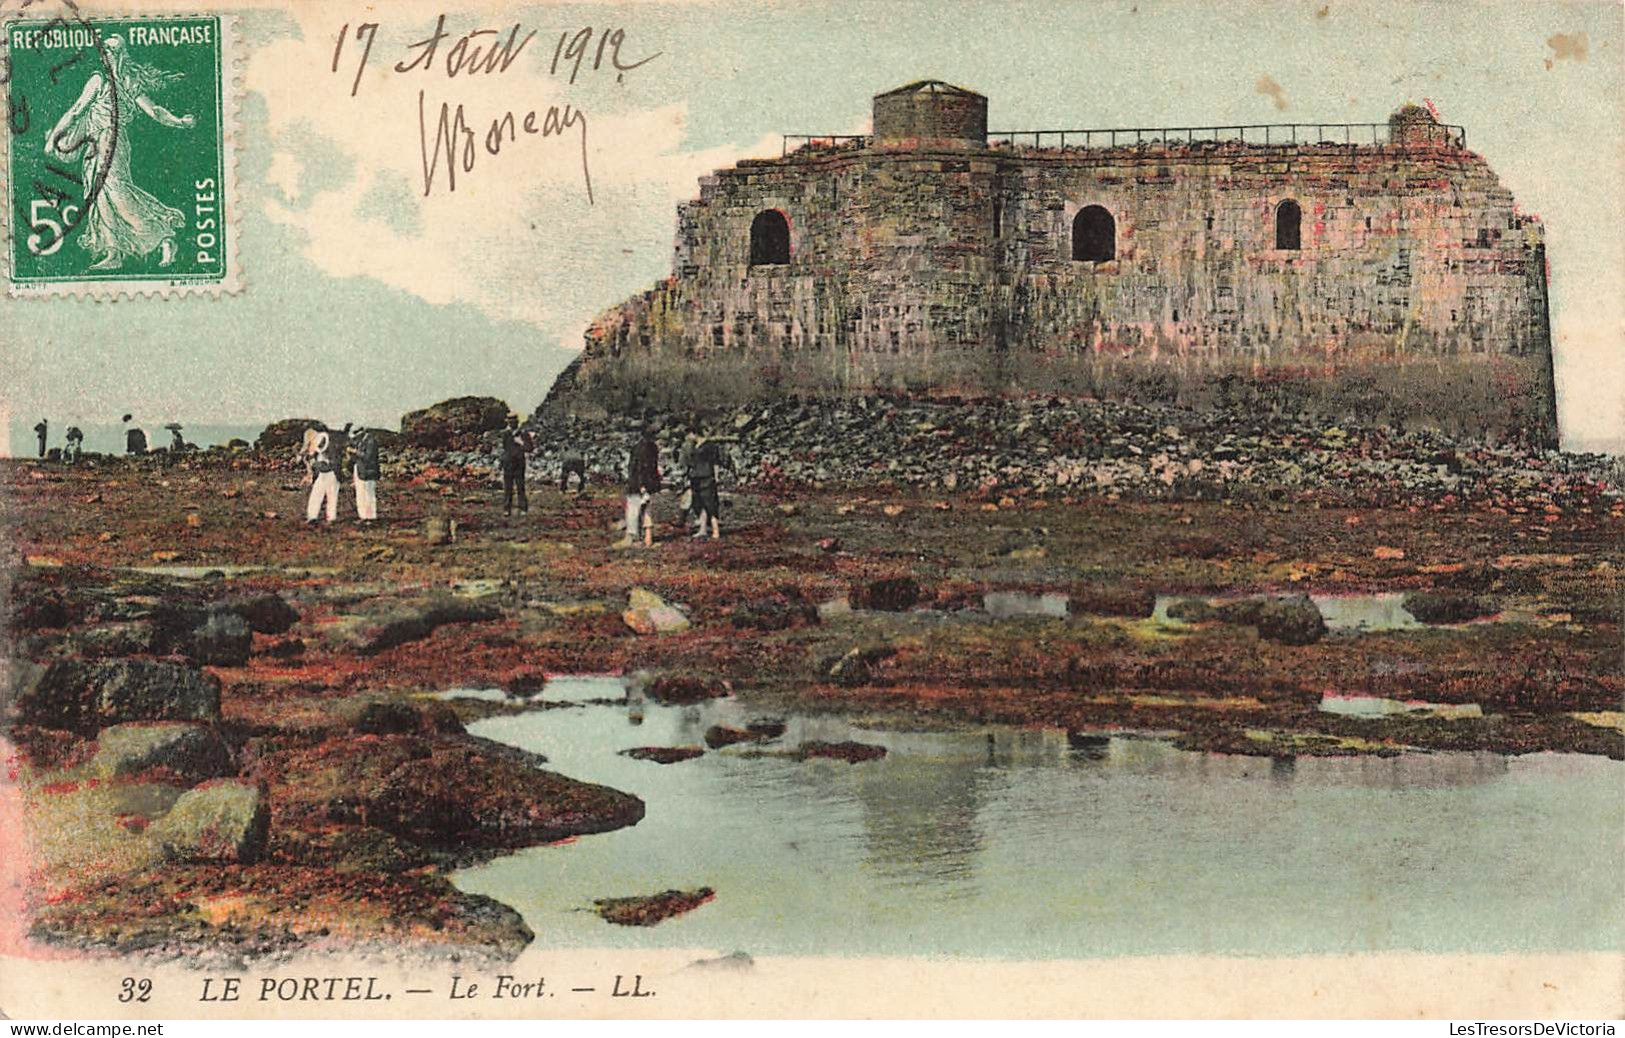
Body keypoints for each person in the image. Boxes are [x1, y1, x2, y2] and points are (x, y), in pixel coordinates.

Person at [45, 35, 195, 270]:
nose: (107, 53)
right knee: (99, 195)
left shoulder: (128, 81)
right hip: (94, 143)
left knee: (116, 191)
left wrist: (179, 121)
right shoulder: (98, 79)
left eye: (112, 50)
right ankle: (113, 252)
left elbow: (154, 110)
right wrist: (55, 136)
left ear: (121, 53)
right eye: (104, 49)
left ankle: (163, 236)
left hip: (114, 142)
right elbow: (75, 111)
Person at [682, 431, 729, 540]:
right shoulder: (693, 446)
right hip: (695, 477)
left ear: (695, 433)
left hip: (707, 476)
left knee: (710, 503)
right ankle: (702, 530)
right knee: (699, 503)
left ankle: (716, 530)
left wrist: (716, 477)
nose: (688, 437)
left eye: (689, 434)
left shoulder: (710, 446)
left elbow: (715, 462)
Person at [621, 424, 661, 548]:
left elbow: (638, 468)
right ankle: (648, 538)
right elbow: (651, 467)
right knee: (647, 510)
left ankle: (635, 538)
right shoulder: (653, 448)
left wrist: (640, 484)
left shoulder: (638, 448)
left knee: (634, 510)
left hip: (638, 482)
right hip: (649, 482)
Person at [304, 430, 339, 525]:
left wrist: (318, 464)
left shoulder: (330, 446)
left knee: (331, 496)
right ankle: (312, 516)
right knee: (316, 494)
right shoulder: (319, 447)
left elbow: (333, 463)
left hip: (332, 473)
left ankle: (331, 518)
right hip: (322, 474)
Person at [501, 414, 532, 516]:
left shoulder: (523, 434)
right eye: (510, 421)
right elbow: (504, 447)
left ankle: (523, 508)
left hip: (519, 463)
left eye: (513, 421)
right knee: (508, 487)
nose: (511, 423)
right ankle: (507, 508)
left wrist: (521, 443)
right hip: (508, 462)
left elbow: (529, 448)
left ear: (517, 422)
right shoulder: (505, 434)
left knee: (520, 486)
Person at [351, 427, 380, 523]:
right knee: (361, 494)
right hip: (361, 471)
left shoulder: (371, 441)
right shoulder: (361, 441)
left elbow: (368, 457)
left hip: (368, 471)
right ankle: (363, 516)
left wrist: (356, 452)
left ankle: (371, 517)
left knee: (369, 495)